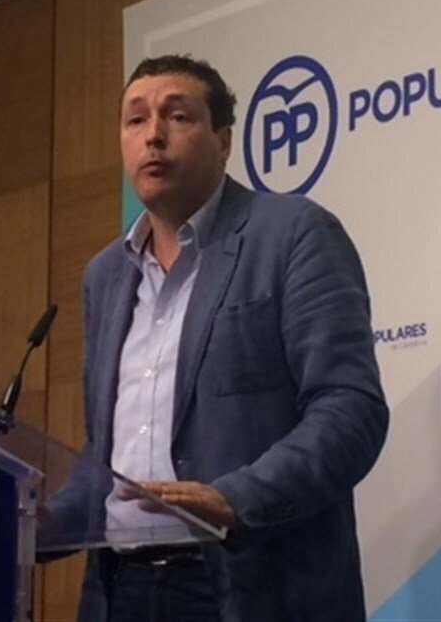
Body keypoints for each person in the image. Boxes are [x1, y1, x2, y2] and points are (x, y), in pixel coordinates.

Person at [76, 54, 388, 622]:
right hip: (121, 587)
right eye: (135, 119)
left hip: (246, 583)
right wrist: (30, 514)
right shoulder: (105, 276)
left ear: (222, 140)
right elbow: (103, 458)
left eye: (177, 116)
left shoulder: (293, 234)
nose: (153, 136)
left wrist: (235, 500)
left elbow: (350, 410)